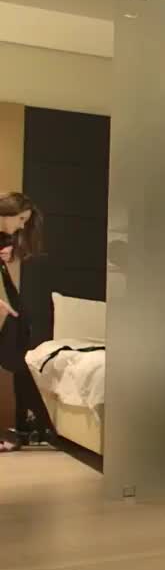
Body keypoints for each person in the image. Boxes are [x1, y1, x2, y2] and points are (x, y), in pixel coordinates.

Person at [0, 193, 51, 452]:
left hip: (10, 308)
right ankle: (39, 423)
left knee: (21, 359)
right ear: (7, 213)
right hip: (6, 306)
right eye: (20, 219)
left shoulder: (6, 239)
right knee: (19, 359)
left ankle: (34, 423)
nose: (21, 225)